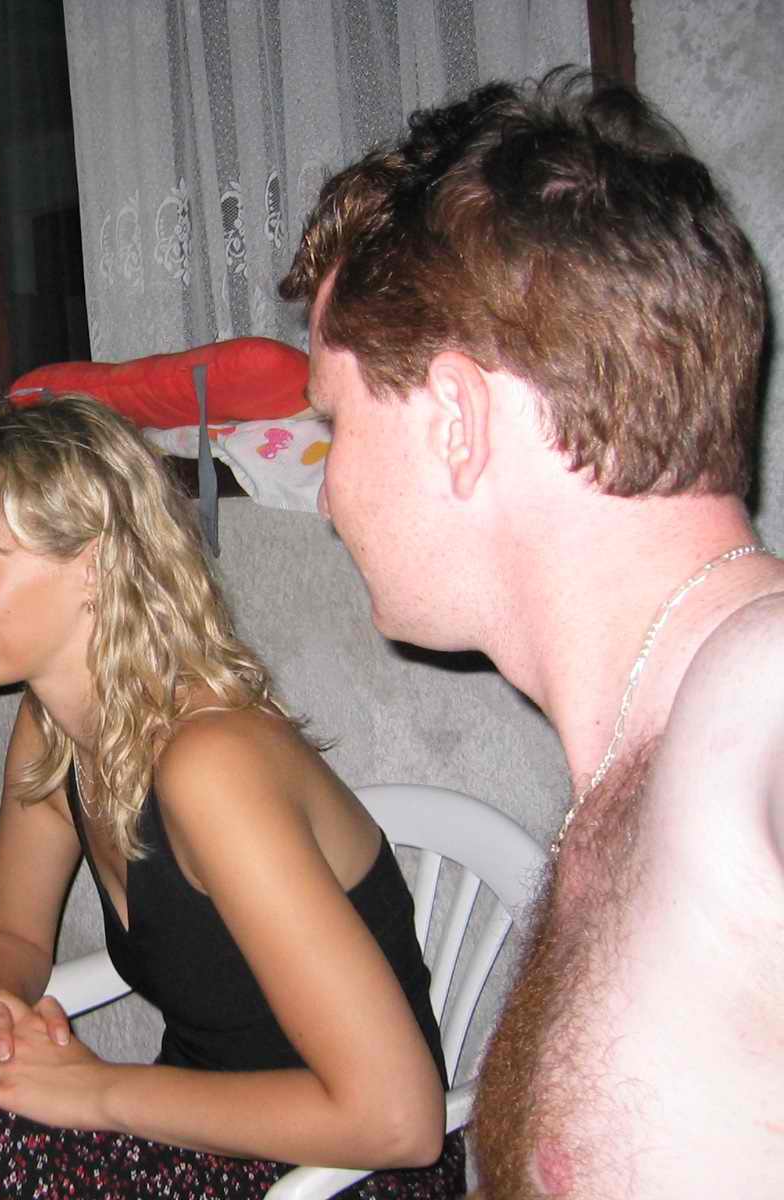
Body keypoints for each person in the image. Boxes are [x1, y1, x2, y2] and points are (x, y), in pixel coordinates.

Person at [278, 67, 783, 1198]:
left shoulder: (760, 699)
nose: (328, 492)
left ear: (455, 421)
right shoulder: (646, 757)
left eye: (334, 425)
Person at [0, 396, 465, 1199]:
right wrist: (2, 1017)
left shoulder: (212, 764)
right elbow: (7, 932)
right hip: (196, 1138)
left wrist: (95, 1093)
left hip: (333, 1174)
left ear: (93, 565)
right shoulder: (55, 727)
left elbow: (399, 1121)